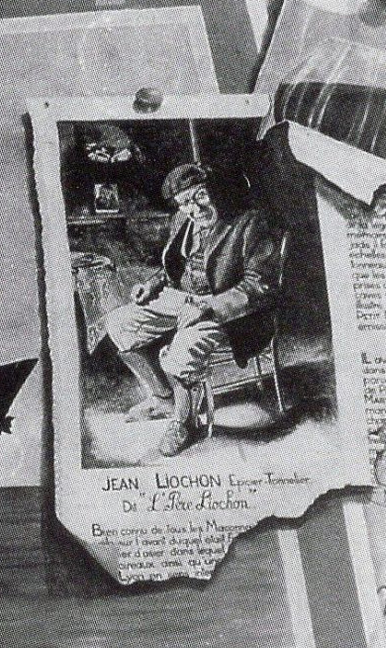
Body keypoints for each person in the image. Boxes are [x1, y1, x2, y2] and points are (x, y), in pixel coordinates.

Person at [102, 163, 282, 456]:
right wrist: (151, 285)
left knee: (183, 348)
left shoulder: (249, 223)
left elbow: (259, 287)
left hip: (231, 312)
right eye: (185, 202)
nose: (194, 208)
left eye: (200, 196)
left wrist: (208, 307)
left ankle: (184, 423)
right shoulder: (182, 221)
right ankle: (163, 399)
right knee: (119, 323)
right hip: (184, 299)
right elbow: (172, 269)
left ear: (213, 190)